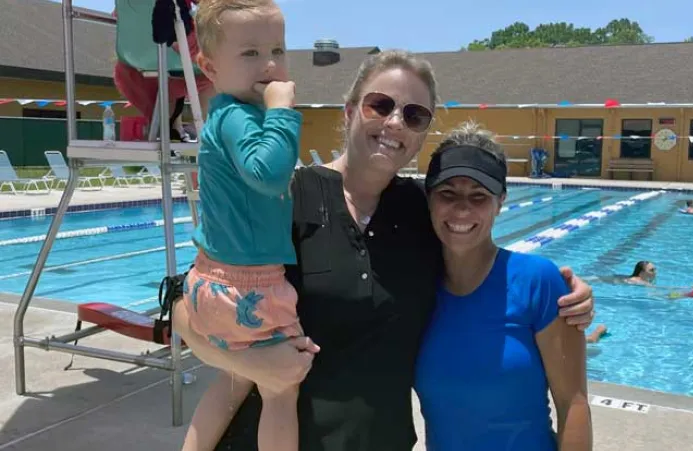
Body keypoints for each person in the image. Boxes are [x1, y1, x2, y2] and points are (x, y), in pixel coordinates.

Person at [168, 49, 596, 451]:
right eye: (380, 105)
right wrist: (251, 365)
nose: (395, 123)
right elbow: (190, 312)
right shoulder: (285, 198)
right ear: (350, 109)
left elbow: (481, 267)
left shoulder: (422, 214)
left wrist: (569, 293)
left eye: (414, 115)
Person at [175, 1, 309, 450]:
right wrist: (284, 112)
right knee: (280, 391)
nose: (270, 64)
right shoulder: (236, 116)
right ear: (209, 67)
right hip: (248, 288)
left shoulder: (226, 117)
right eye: (250, 53)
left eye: (278, 49)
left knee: (234, 378)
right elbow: (268, 174)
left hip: (210, 279)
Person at [414, 122, 592, 450]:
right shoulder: (414, 288)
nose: (462, 208)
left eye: (479, 196)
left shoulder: (538, 282)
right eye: (447, 194)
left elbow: (574, 405)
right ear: (429, 200)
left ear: (501, 202)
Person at [112, 0, 215, 141]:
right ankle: (208, 126)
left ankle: (171, 126)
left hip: (133, 53)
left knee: (173, 72)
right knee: (217, 62)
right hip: (176, 45)